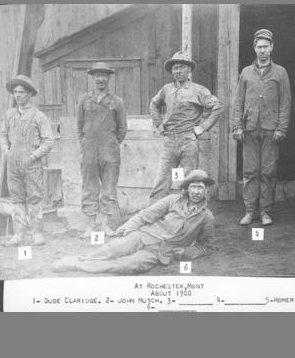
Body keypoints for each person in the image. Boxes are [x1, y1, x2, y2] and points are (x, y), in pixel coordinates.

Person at [52, 169, 215, 274]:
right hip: (142, 236)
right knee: (112, 249)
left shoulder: (207, 217)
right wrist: (127, 227)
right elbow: (145, 215)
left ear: (206, 190)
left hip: (159, 252)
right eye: (193, 186)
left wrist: (186, 253)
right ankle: (78, 260)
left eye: (200, 187)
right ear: (187, 188)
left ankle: (77, 266)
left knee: (125, 266)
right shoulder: (172, 200)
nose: (196, 191)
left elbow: (206, 247)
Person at [231, 29, 291, 226]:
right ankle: (249, 211)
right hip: (249, 129)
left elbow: (286, 103)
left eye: (266, 46)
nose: (262, 50)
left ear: (272, 47)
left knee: (268, 172)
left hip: (270, 130)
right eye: (259, 47)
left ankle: (265, 211)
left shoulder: (280, 72)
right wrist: (236, 126)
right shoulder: (246, 72)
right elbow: (238, 101)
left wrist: (281, 128)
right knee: (249, 171)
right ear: (254, 48)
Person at [149, 51, 224, 200]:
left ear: (189, 69)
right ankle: (154, 216)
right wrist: (158, 123)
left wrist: (203, 127)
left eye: (181, 67)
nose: (177, 71)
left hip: (188, 141)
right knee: (163, 179)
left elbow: (218, 106)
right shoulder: (167, 89)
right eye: (175, 68)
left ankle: (188, 215)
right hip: (169, 141)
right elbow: (154, 103)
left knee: (187, 180)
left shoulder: (198, 90)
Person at [0, 75, 54, 246]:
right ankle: (18, 235)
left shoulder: (39, 116)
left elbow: (49, 141)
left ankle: (37, 233)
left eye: (21, 92)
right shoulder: (9, 115)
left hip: (31, 164)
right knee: (17, 199)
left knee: (35, 198)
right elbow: (2, 135)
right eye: (15, 92)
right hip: (13, 164)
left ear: (29, 94)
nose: (18, 95)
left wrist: (33, 156)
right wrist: (6, 151)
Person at [77, 62, 127, 238]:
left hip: (109, 151)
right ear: (92, 78)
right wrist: (85, 144)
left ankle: (105, 226)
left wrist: (111, 144)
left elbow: (122, 129)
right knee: (89, 187)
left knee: (108, 188)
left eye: (104, 75)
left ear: (108, 78)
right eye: (97, 75)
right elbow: (79, 125)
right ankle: (90, 226)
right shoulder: (84, 100)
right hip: (89, 150)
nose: (100, 79)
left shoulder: (117, 102)